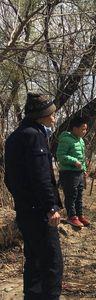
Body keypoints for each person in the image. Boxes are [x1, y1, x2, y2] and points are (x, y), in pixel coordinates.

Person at [4, 92, 63, 299]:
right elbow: (41, 177)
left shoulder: (14, 137)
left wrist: (22, 200)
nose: (54, 118)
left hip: (25, 210)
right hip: (40, 213)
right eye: (52, 114)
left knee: (34, 261)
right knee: (51, 263)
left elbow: (9, 179)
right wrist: (51, 207)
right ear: (41, 116)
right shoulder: (34, 136)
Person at [56, 115, 90, 228]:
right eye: (83, 129)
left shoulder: (81, 141)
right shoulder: (66, 139)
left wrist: (84, 170)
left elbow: (82, 158)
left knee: (79, 195)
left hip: (79, 173)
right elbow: (60, 156)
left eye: (86, 129)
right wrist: (74, 161)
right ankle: (71, 216)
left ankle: (79, 215)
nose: (85, 131)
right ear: (75, 128)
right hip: (68, 173)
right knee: (71, 195)